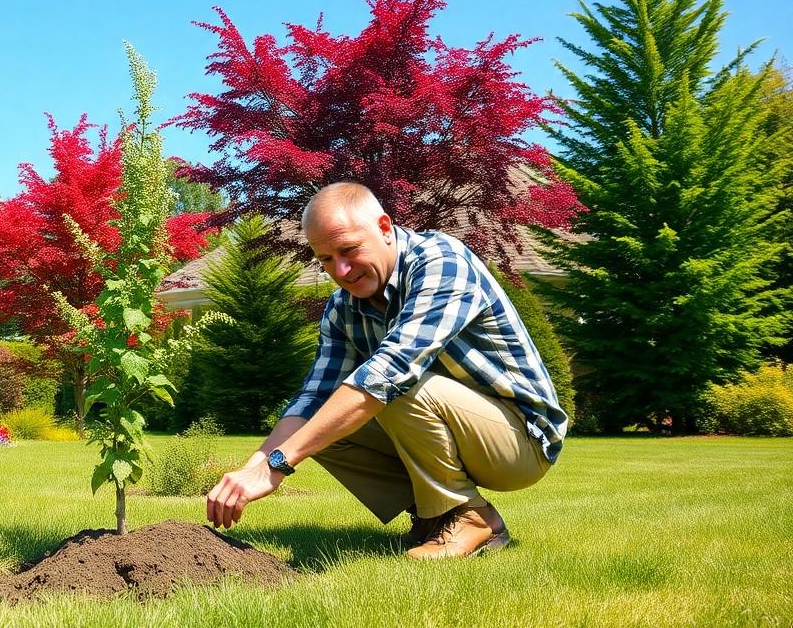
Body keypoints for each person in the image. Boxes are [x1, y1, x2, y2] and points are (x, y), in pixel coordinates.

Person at [205, 182, 567, 560]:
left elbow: (391, 369)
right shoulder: (342, 308)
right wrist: (259, 463)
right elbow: (313, 396)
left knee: (389, 384)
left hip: (520, 441)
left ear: (383, 226)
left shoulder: (442, 261)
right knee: (324, 420)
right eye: (325, 259)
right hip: (459, 427)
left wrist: (279, 466)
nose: (340, 270)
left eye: (348, 250)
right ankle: (437, 517)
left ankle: (468, 517)